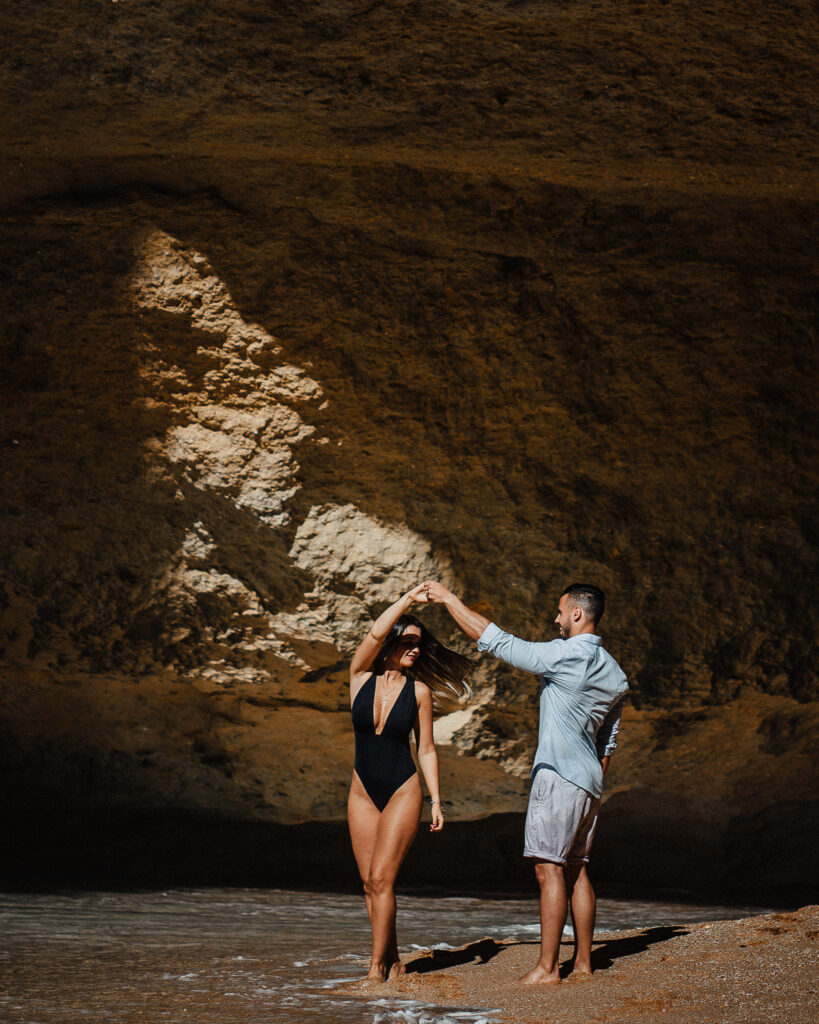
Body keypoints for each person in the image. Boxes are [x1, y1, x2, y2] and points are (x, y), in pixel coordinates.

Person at [421, 580, 627, 984]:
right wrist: (590, 778)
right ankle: (583, 963)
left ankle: (547, 969)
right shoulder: (615, 672)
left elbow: (496, 641)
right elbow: (609, 738)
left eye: (560, 611)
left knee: (548, 869)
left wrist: (448, 599)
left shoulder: (566, 655)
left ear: (577, 614)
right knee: (577, 869)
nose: (556, 618)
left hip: (560, 777)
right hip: (588, 782)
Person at [348, 583, 472, 981]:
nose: (415, 648)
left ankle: (374, 969)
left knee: (384, 878)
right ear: (392, 641)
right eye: (408, 640)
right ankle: (395, 960)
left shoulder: (419, 691)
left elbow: (428, 750)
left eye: (420, 643)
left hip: (403, 787)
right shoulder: (358, 677)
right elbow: (373, 633)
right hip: (361, 789)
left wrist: (436, 801)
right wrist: (406, 601)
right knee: (370, 884)